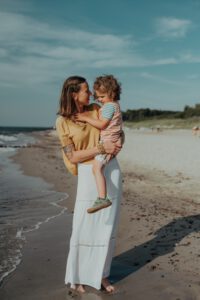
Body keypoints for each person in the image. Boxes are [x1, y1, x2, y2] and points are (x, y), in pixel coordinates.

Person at [56, 76, 123, 293]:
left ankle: (102, 275)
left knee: (106, 227)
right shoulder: (62, 121)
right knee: (83, 227)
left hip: (110, 169)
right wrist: (101, 149)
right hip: (88, 172)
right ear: (74, 94)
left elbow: (116, 130)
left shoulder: (97, 109)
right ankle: (78, 275)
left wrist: (118, 141)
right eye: (86, 90)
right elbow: (73, 157)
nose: (91, 94)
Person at [75, 75, 122, 214]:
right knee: (98, 169)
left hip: (107, 142)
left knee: (96, 169)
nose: (99, 100)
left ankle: (102, 198)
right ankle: (103, 197)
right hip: (111, 140)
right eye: (98, 97)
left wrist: (85, 118)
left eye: (102, 97)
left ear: (111, 93)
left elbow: (102, 124)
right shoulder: (115, 105)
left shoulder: (108, 107)